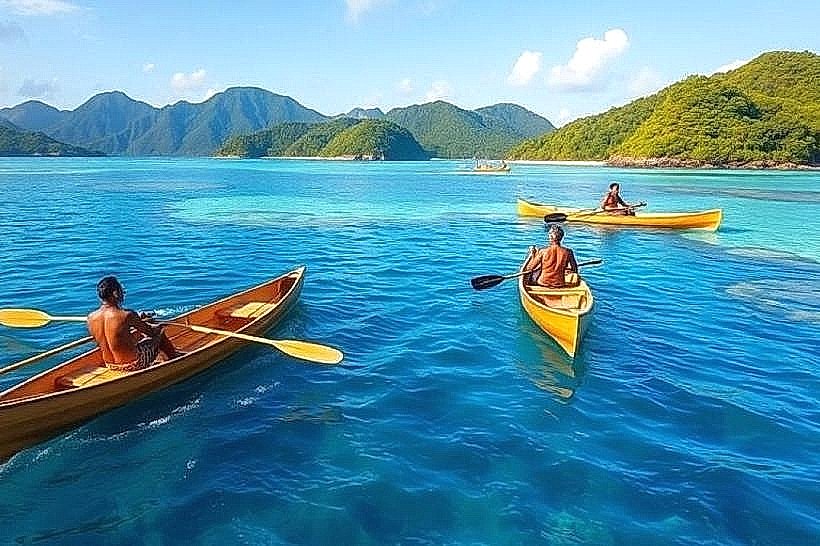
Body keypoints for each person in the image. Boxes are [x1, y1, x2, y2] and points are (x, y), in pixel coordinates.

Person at [87, 276, 181, 372]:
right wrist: (159, 326)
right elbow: (151, 332)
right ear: (115, 293)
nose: (123, 293)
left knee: (138, 336)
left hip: (110, 365)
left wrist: (139, 322)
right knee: (159, 335)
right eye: (121, 290)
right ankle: (176, 361)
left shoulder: (91, 317)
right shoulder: (127, 315)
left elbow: (119, 337)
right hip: (133, 364)